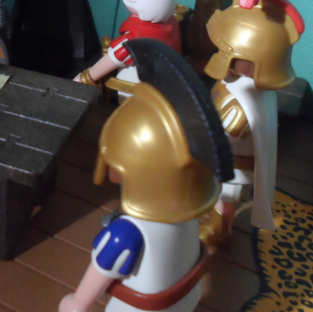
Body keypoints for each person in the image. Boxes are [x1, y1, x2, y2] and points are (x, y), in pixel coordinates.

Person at [60, 38, 232, 312]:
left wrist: (75, 304)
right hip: (185, 300)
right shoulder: (187, 213)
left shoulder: (125, 234)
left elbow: (97, 278)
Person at [201, 0, 304, 248]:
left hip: (231, 165)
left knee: (226, 198)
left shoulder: (244, 104)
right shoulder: (246, 88)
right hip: (227, 160)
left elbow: (223, 134)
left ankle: (221, 231)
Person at [75, 0, 181, 101]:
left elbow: (110, 61)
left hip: (136, 94)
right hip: (166, 86)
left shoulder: (132, 39)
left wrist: (84, 78)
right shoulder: (171, 22)